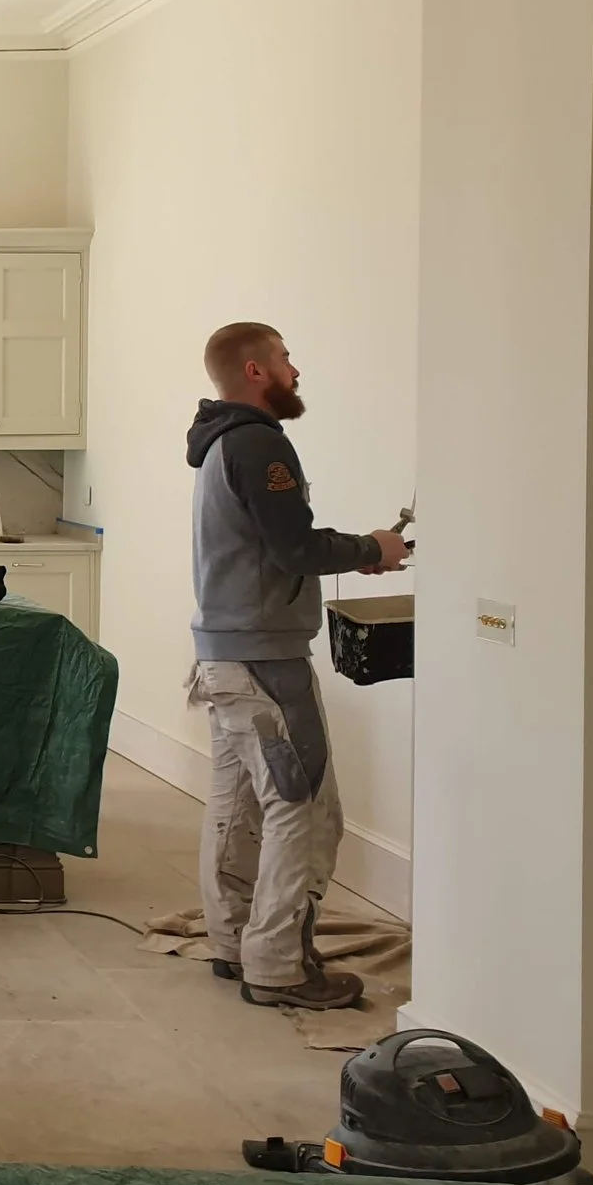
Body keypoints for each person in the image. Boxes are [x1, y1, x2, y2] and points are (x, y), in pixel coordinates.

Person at [184, 322, 407, 1010]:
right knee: (304, 810)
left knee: (240, 804)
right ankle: (278, 963)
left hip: (226, 657)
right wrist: (375, 547)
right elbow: (294, 547)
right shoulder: (256, 443)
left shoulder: (219, 442)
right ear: (255, 371)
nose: (294, 368)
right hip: (265, 661)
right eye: (284, 356)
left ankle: (233, 940)